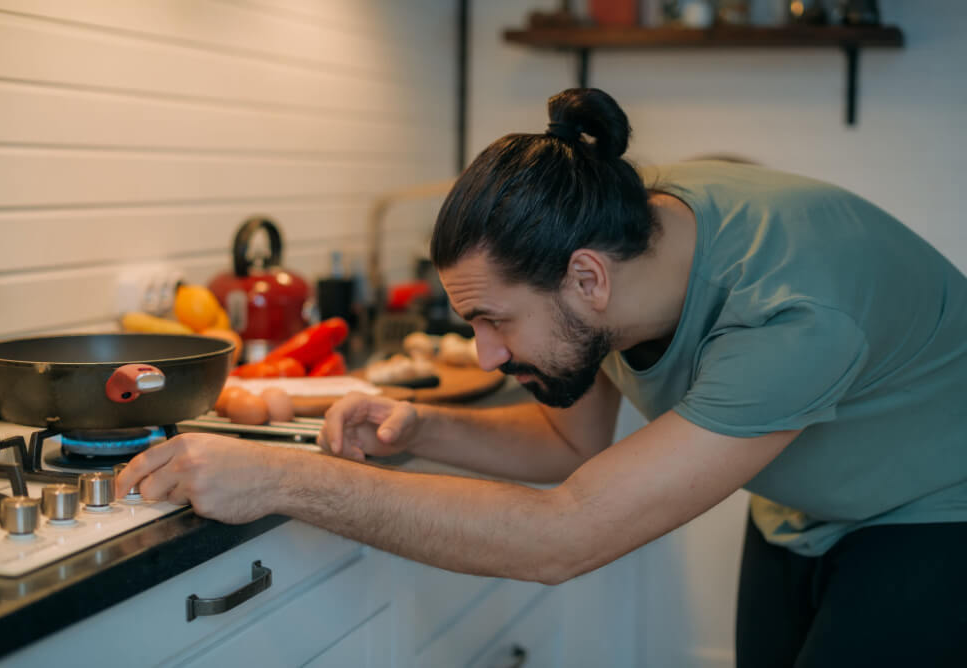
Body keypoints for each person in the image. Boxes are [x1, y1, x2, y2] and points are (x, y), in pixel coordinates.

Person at [117, 88, 967, 667]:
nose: (485, 355)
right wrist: (428, 426)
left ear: (587, 278)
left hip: (937, 508)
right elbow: (575, 443)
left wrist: (283, 476)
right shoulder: (627, 236)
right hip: (803, 505)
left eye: (495, 321)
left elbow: (566, 535)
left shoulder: (795, 315)